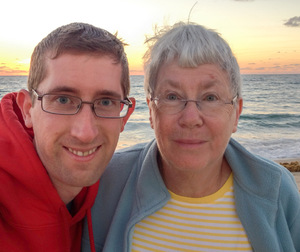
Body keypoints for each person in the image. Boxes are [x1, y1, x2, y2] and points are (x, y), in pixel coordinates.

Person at [82, 22, 300, 252]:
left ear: (236, 113)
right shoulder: (109, 182)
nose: (190, 118)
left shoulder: (276, 189)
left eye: (210, 98)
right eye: (173, 96)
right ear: (151, 111)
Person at [0, 22, 135, 252]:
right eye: (63, 99)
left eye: (105, 102)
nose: (85, 133)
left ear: (124, 116)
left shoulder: (117, 195)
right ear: (27, 109)